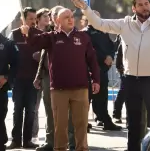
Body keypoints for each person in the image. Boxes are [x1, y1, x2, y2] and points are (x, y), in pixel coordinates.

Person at [71, 0, 150, 151]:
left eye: (146, 4)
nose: (144, 7)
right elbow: (100, 24)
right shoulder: (125, 24)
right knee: (133, 123)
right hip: (131, 80)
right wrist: (86, 9)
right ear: (134, 8)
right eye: (140, 4)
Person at [22, 8, 101, 151]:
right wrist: (27, 31)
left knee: (81, 126)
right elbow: (33, 42)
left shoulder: (83, 37)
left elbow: (92, 60)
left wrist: (96, 80)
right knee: (60, 126)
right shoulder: (52, 37)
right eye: (66, 17)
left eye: (71, 16)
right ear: (58, 21)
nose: (71, 19)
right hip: (59, 90)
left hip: (81, 89)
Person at [8, 7, 42, 149]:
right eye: (30, 19)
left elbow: (44, 56)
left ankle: (27, 140)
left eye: (35, 19)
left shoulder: (39, 35)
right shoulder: (14, 35)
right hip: (18, 79)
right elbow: (8, 56)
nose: (33, 22)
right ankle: (15, 140)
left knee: (31, 110)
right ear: (23, 18)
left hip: (34, 80)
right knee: (17, 110)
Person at [81, 11, 122, 130]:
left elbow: (110, 46)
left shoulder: (103, 32)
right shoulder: (84, 33)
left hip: (102, 70)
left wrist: (110, 55)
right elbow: (88, 51)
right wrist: (104, 57)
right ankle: (83, 122)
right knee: (87, 98)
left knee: (103, 96)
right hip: (89, 70)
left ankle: (104, 120)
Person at [34, 6, 62, 151]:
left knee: (64, 112)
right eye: (52, 15)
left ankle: (68, 141)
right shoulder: (49, 34)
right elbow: (43, 55)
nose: (52, 18)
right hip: (47, 77)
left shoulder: (71, 33)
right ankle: (50, 141)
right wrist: (38, 75)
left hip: (65, 78)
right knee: (49, 111)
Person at [32, 8, 51, 143]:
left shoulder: (51, 32)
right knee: (34, 107)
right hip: (33, 74)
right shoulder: (32, 33)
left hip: (48, 74)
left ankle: (51, 135)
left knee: (50, 108)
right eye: (44, 16)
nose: (47, 18)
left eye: (48, 16)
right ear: (37, 18)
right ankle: (34, 134)